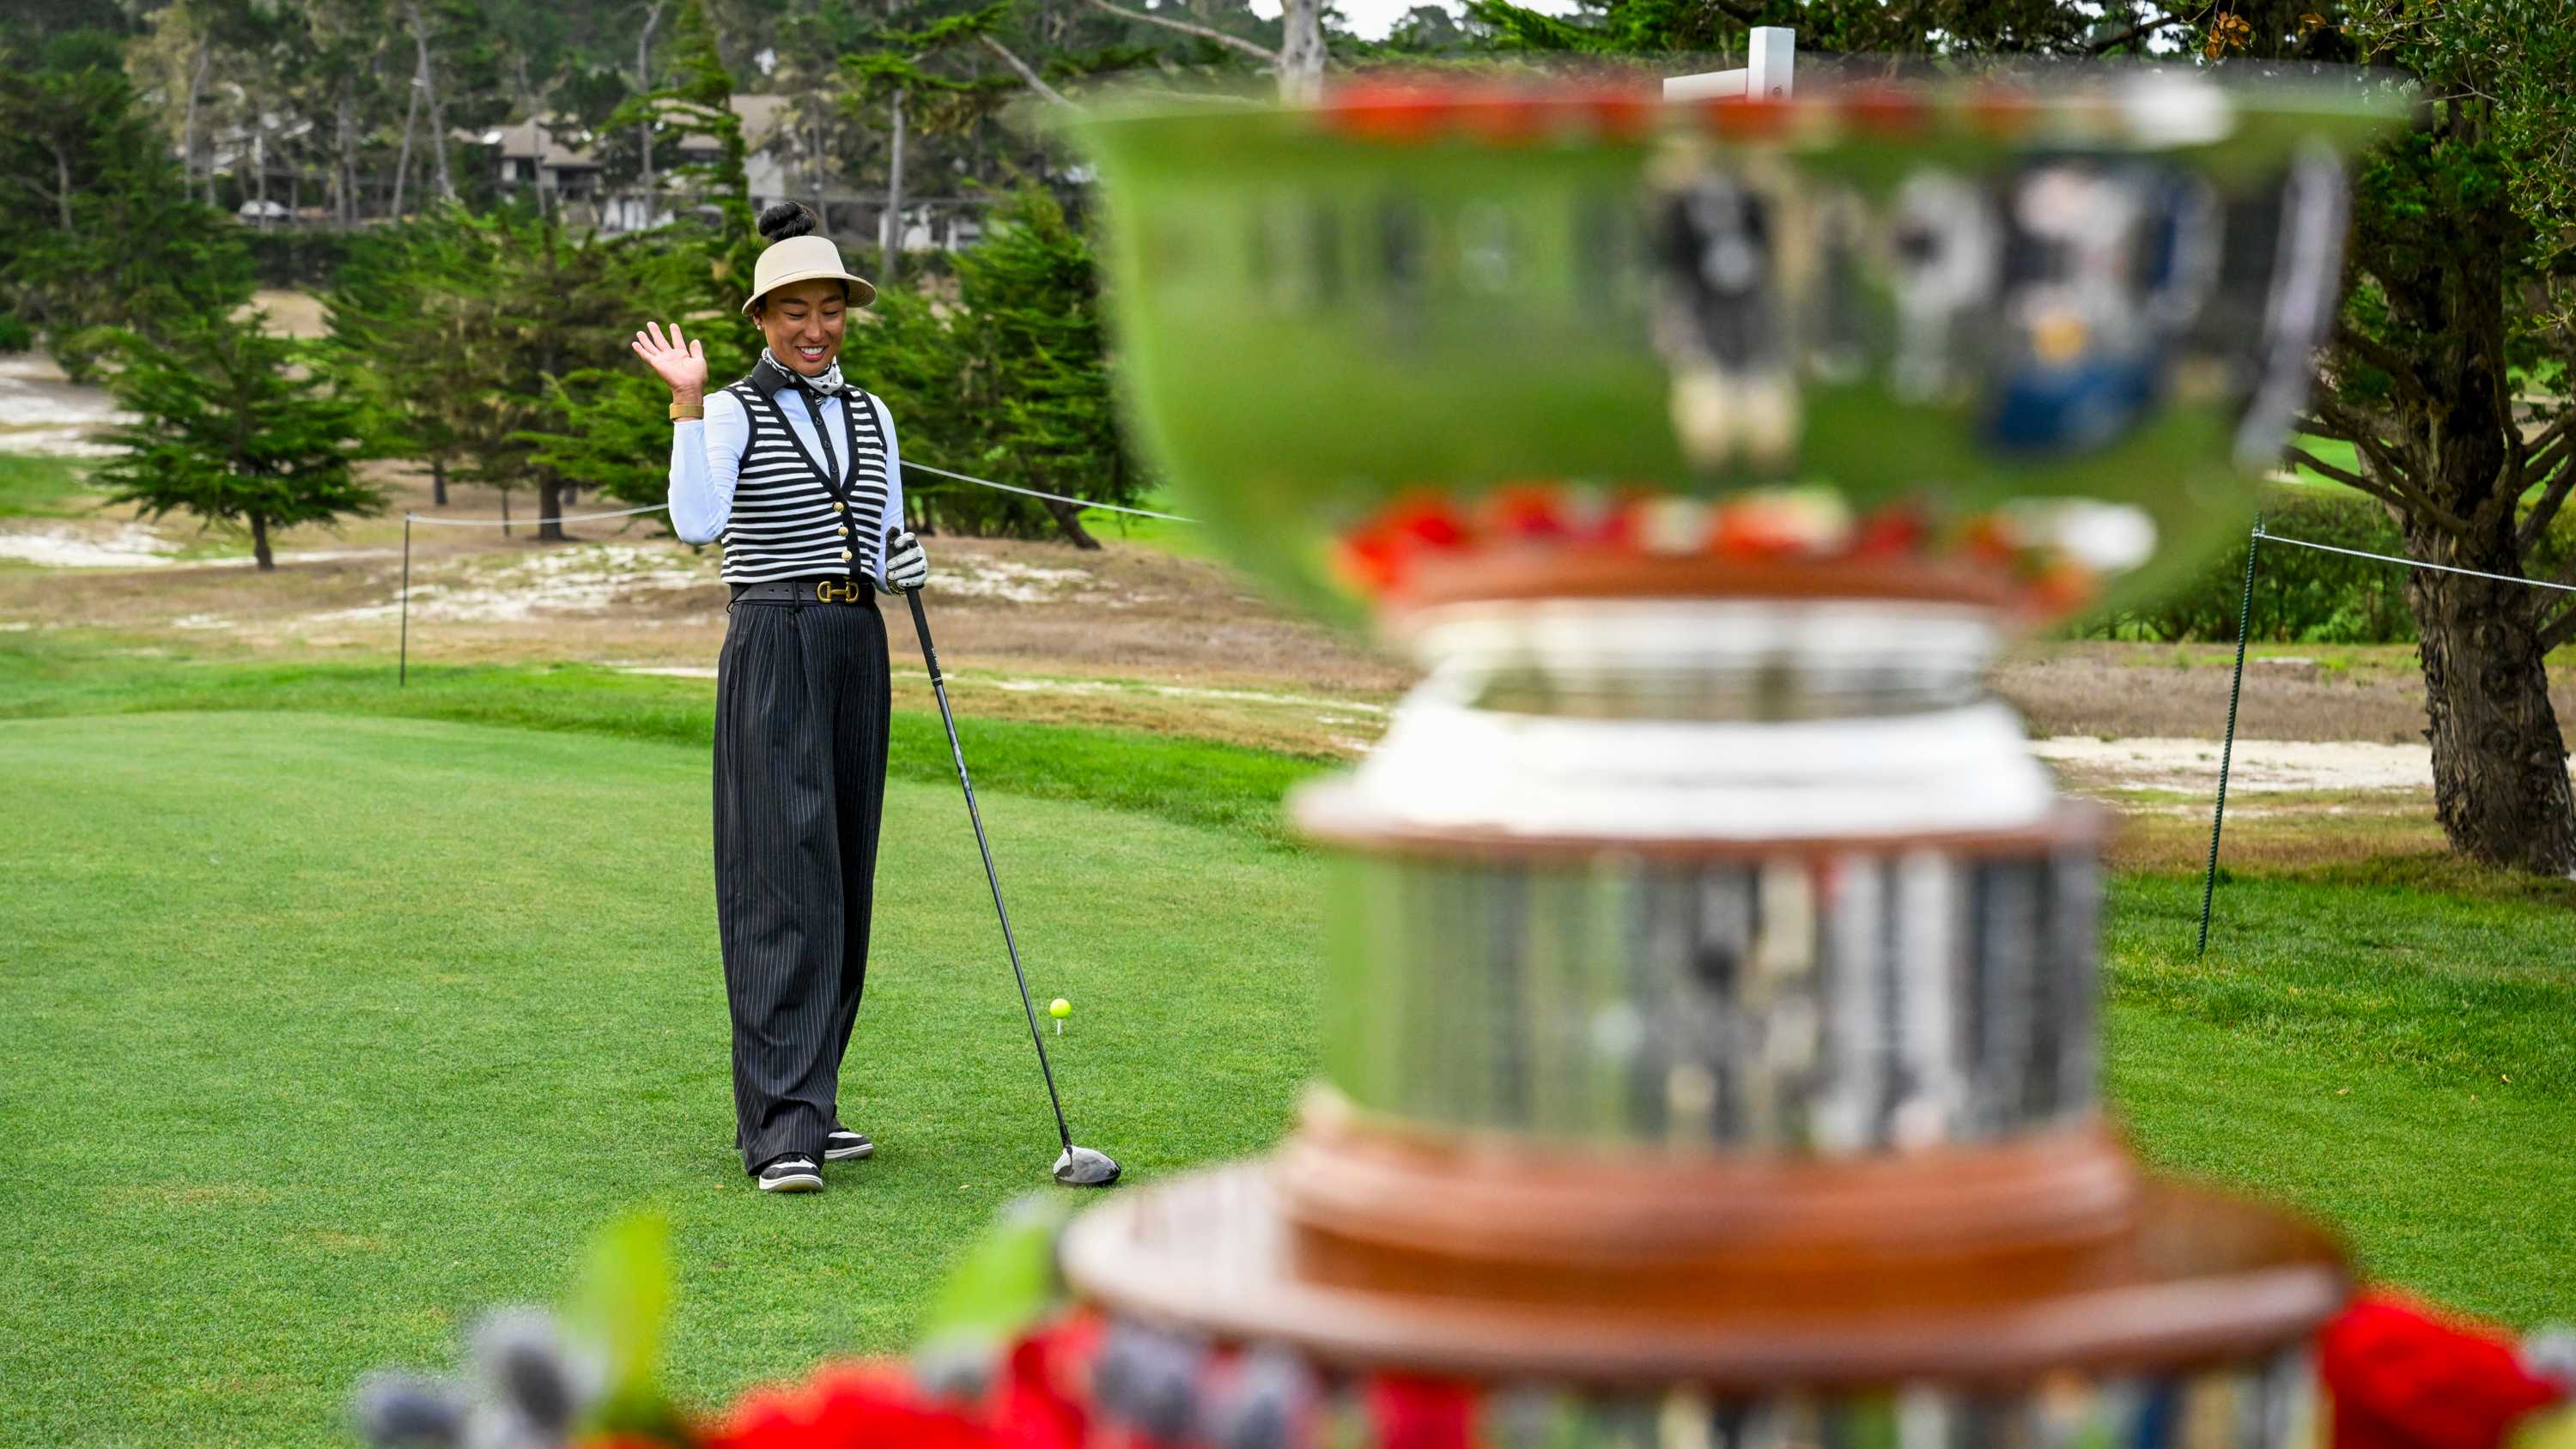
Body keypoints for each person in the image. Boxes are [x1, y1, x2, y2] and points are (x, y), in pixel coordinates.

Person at [630, 202, 932, 1194]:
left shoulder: (873, 412)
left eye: (830, 309)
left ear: (847, 312)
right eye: (793, 311)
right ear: (762, 319)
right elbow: (695, 522)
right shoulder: (728, 409)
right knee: (777, 876)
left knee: (843, 873)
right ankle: (777, 1128)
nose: (814, 327)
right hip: (774, 636)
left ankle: (814, 1098)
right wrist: (683, 401)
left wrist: (904, 554)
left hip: (856, 640)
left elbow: (879, 526)